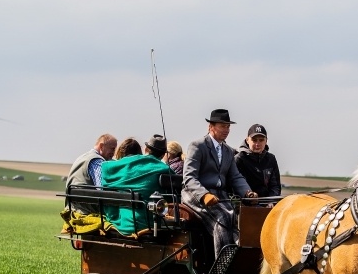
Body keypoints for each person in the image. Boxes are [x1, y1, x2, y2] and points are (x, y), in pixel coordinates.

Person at [182, 108, 257, 255]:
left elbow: (236, 177)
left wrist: (248, 192)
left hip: (219, 196)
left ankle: (238, 257)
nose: (227, 130)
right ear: (211, 127)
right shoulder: (198, 146)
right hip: (195, 195)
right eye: (223, 126)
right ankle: (222, 263)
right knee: (223, 217)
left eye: (228, 126)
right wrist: (204, 195)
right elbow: (189, 178)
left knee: (237, 218)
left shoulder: (228, 151)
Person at [98, 134, 171, 235]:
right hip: (148, 225)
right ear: (163, 154)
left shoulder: (111, 167)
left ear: (146, 149)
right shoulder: (164, 168)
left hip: (120, 224)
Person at [65, 133, 117, 213]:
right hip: (89, 210)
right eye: (112, 149)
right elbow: (102, 189)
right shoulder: (97, 161)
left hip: (73, 208)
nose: (113, 153)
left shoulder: (82, 157)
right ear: (101, 146)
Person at [234, 123, 281, 198]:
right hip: (246, 202)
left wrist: (271, 201)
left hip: (268, 202)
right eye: (254, 140)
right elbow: (238, 185)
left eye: (261, 140)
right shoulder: (239, 159)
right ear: (247, 140)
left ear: (266, 141)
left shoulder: (271, 159)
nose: (257, 144)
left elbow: (275, 186)